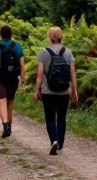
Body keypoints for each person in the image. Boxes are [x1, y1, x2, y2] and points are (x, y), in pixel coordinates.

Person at [33, 25, 78, 155]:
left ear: (49, 37)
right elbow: (73, 74)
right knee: (62, 118)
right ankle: (60, 144)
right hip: (64, 91)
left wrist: (37, 90)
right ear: (61, 37)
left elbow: (39, 75)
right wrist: (74, 91)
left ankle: (54, 140)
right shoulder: (68, 52)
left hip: (48, 91)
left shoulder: (44, 52)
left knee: (50, 117)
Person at [0, 24, 25, 138]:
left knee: (2, 100)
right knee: (10, 102)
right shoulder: (18, 46)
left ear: (1, 34)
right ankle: (10, 126)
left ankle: (5, 125)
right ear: (11, 34)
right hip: (13, 77)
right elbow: (22, 65)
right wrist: (23, 79)